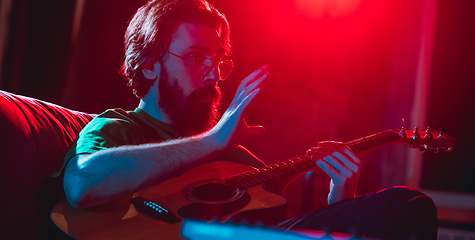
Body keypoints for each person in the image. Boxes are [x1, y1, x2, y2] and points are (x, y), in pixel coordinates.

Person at [61, 0, 438, 239]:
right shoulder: (120, 128)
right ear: (148, 66)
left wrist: (342, 196)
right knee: (407, 205)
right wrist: (212, 141)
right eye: (195, 57)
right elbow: (81, 185)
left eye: (218, 60)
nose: (211, 73)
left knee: (402, 207)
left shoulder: (237, 162)